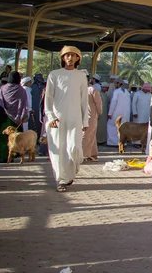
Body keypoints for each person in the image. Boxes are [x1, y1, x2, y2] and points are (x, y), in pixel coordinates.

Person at [44, 46, 88, 192]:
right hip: (57, 119)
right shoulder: (54, 75)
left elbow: (84, 100)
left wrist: (85, 121)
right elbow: (48, 97)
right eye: (67, 55)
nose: (70, 58)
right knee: (59, 150)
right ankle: (61, 179)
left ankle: (69, 174)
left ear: (77, 59)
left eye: (73, 56)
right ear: (63, 58)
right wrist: (50, 116)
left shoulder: (81, 76)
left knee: (74, 148)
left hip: (75, 119)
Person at [0, 71, 29, 163]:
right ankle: (13, 155)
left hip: (3, 117)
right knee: (16, 138)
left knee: (3, 137)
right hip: (16, 119)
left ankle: (3, 156)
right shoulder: (21, 90)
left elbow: (0, 102)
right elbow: (24, 104)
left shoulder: (2, 89)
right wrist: (24, 116)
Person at [82, 73, 103, 162]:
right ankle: (93, 154)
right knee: (91, 135)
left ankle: (83, 155)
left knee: (86, 135)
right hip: (81, 116)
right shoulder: (80, 90)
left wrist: (99, 113)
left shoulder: (92, 90)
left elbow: (98, 103)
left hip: (91, 116)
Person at [107, 78, 130, 146]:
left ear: (119, 84)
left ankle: (113, 142)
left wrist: (110, 113)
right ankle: (122, 142)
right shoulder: (127, 92)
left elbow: (113, 103)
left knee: (111, 126)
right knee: (123, 128)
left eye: (115, 83)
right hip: (125, 114)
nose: (114, 85)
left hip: (116, 113)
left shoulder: (116, 91)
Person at [31, 73, 45, 138]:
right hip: (42, 108)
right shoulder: (45, 87)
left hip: (33, 108)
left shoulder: (32, 87)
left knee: (33, 123)